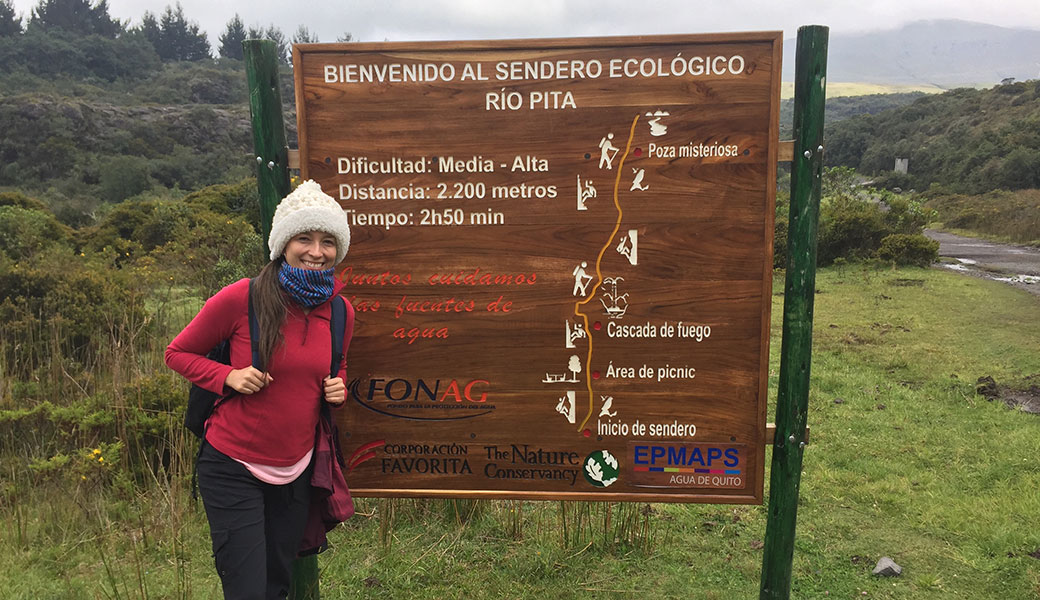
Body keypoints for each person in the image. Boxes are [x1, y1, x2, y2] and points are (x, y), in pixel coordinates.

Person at [165, 180, 355, 599]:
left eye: (327, 241)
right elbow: (177, 353)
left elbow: (334, 364)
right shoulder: (242, 298)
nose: (316, 251)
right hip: (233, 467)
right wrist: (227, 377)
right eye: (304, 238)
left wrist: (337, 386)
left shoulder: (340, 311)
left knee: (276, 586)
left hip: (297, 471)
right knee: (247, 590)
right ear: (283, 243)